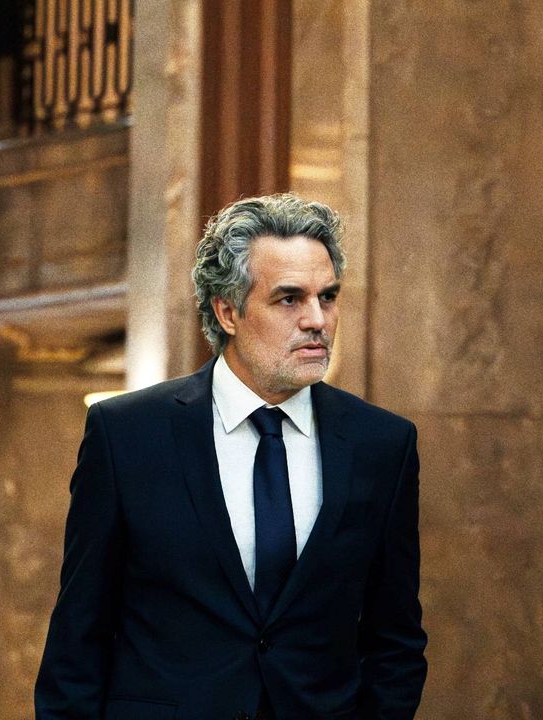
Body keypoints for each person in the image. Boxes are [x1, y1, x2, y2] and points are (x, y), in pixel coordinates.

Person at [35, 194, 427, 720]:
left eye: (328, 297)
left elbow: (395, 639)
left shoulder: (382, 444)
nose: (317, 320)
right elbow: (78, 639)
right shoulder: (126, 434)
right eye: (289, 299)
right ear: (227, 312)